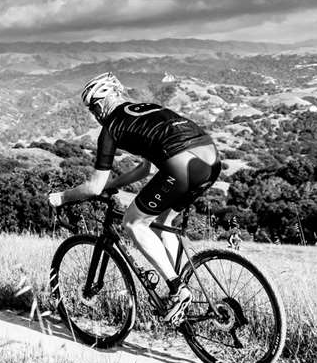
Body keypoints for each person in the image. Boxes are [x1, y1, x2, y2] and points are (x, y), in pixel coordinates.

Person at [48, 72, 222, 324]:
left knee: (132, 222)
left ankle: (177, 289)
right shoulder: (145, 109)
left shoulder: (111, 128)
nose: (94, 113)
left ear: (107, 99)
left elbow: (94, 187)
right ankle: (179, 285)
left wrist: (62, 197)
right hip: (210, 160)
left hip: (181, 165)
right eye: (91, 109)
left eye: (94, 106)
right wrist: (113, 185)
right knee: (164, 223)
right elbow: (144, 169)